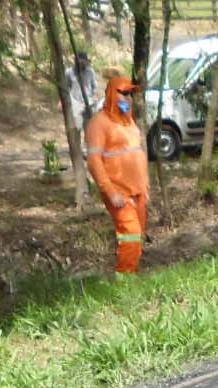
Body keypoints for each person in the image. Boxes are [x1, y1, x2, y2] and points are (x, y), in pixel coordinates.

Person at [85, 74, 149, 277]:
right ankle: (125, 282)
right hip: (119, 193)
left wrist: (146, 187)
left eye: (131, 94)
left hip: (138, 192)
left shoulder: (130, 124)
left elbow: (138, 155)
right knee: (131, 234)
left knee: (137, 238)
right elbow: (94, 162)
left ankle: (132, 278)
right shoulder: (99, 123)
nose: (128, 98)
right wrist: (111, 193)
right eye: (124, 93)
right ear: (112, 93)